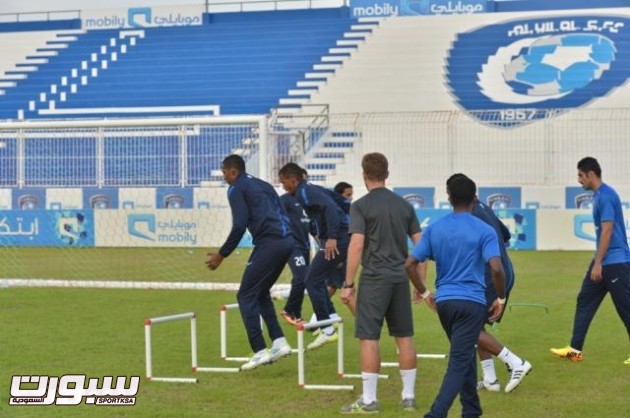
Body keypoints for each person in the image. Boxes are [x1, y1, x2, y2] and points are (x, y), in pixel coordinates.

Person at [406, 173, 506, 418]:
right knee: (460, 360)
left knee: (465, 352)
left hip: (445, 303)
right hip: (471, 302)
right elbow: (496, 268)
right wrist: (501, 298)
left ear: (449, 197)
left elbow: (410, 263)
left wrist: (425, 292)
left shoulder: (435, 228)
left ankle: (471, 410)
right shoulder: (484, 230)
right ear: (475, 198)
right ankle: (436, 413)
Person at [339, 152, 427, 414]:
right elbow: (421, 246)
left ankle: (369, 401)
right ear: (387, 174)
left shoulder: (360, 206)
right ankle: (408, 397)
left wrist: (348, 283)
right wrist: (420, 284)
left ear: (364, 175)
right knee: (404, 337)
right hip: (400, 278)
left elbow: (356, 246)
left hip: (375, 278)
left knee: (368, 338)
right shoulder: (404, 206)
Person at [206, 154, 294, 371]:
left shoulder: (236, 188)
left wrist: (222, 254)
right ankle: (279, 342)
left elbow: (239, 225)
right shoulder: (262, 184)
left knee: (245, 295)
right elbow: (281, 212)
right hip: (287, 242)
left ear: (233, 171)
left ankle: (259, 350)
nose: (224, 176)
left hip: (270, 243)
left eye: (225, 172)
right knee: (261, 292)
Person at [551, 157, 630, 364]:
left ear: (591, 174)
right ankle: (575, 350)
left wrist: (598, 262)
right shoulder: (599, 195)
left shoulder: (606, 195)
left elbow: (607, 230)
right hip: (604, 261)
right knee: (584, 300)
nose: (578, 180)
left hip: (614, 263)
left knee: (625, 308)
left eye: (580, 175)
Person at [464, 181, 532, 393]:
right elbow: (506, 235)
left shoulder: (472, 215)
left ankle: (516, 363)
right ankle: (490, 380)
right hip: (502, 271)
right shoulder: (482, 206)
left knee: (468, 327)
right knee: (477, 325)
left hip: (494, 275)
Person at [278, 162, 349, 350]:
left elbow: (330, 209)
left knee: (311, 279)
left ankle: (327, 330)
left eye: (283, 182)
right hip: (339, 237)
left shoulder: (304, 191)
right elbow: (338, 203)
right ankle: (330, 319)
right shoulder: (309, 189)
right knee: (315, 279)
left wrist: (332, 237)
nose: (282, 186)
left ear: (293, 180)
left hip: (339, 237)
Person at [278, 171, 312, 326]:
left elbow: (311, 225)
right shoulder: (284, 201)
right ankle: (288, 310)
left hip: (305, 245)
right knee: (302, 277)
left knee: (302, 279)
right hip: (292, 246)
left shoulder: (308, 200)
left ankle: (296, 314)